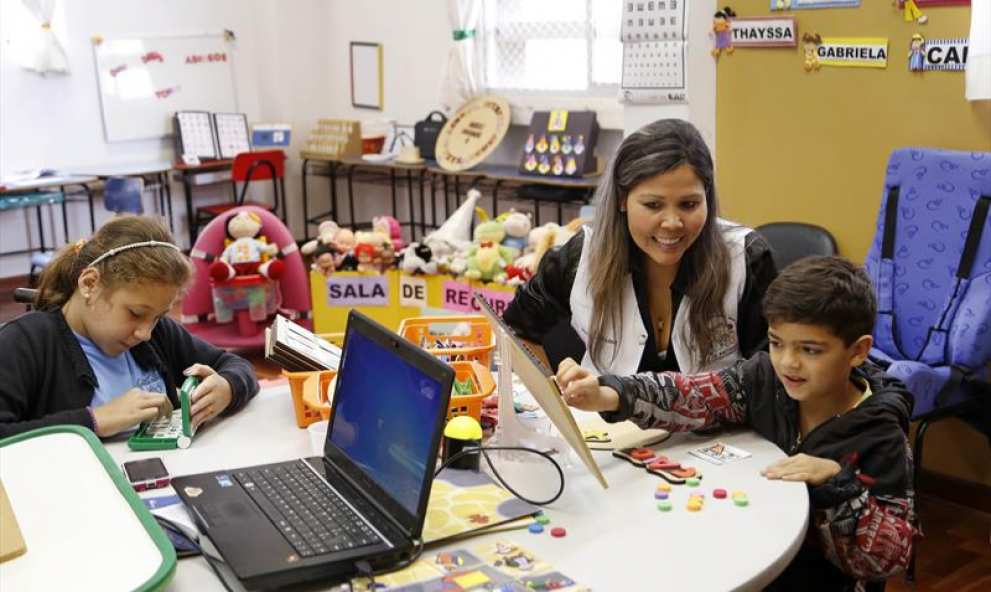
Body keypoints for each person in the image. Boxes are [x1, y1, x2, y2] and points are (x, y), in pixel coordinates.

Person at [556, 256, 918, 591]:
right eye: (777, 343)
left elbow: (889, 557)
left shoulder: (880, 434)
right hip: (743, 555)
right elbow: (691, 394)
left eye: (809, 350)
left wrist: (837, 484)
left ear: (857, 350)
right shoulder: (764, 378)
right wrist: (610, 394)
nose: (788, 363)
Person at [503, 118, 777, 377]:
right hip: (605, 426)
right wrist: (556, 404)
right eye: (653, 205)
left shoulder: (746, 258)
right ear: (623, 200)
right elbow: (515, 330)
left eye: (689, 204)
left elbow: (771, 371)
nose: (672, 223)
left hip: (721, 427)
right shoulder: (580, 255)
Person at [0, 217, 259, 439]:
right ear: (90, 284)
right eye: (135, 313)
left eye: (158, 316)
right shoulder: (24, 343)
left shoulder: (158, 334)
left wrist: (227, 387)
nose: (145, 333)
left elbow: (236, 365)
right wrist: (92, 421)